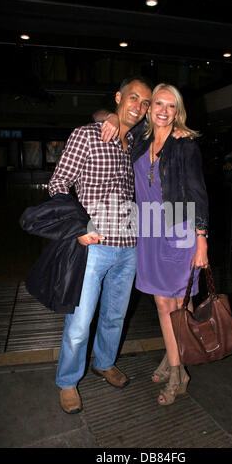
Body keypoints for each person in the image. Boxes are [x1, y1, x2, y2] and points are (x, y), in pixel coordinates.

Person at [48, 76, 152, 414]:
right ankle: (67, 381)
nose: (139, 106)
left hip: (130, 245)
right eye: (133, 97)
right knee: (79, 322)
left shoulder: (136, 142)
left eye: (145, 102)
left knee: (115, 315)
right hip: (94, 245)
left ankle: (104, 363)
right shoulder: (87, 135)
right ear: (120, 97)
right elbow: (58, 183)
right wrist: (77, 226)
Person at [102, 83, 209, 406]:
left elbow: (198, 193)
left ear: (178, 111)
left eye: (170, 106)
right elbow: (108, 119)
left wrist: (201, 239)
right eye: (157, 104)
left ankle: (179, 373)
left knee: (175, 305)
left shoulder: (184, 145)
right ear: (148, 109)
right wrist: (109, 114)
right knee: (169, 306)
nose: (163, 110)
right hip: (148, 229)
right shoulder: (139, 140)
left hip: (178, 226)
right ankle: (172, 360)